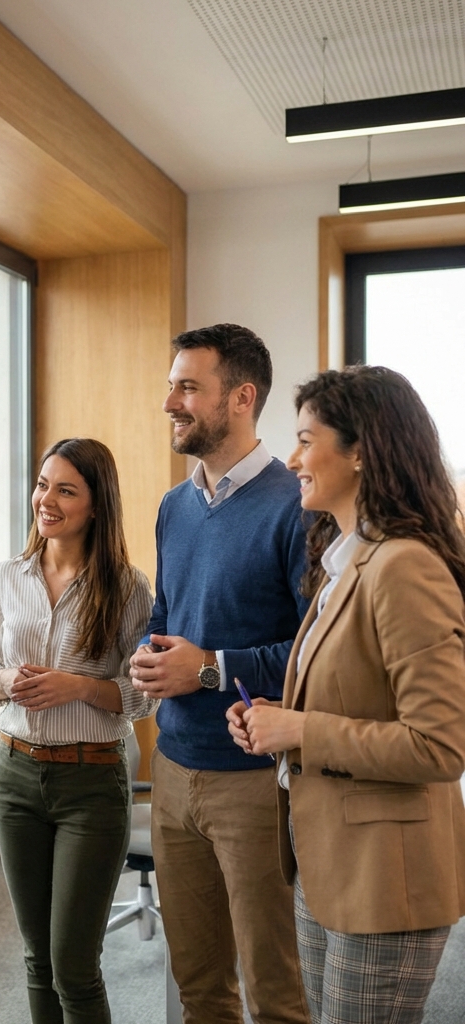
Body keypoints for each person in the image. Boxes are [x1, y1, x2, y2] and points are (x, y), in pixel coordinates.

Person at [227, 366, 465, 1024]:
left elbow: (440, 746)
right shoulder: (344, 560)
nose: (292, 460)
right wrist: (280, 718)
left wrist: (301, 731)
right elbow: (352, 699)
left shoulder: (405, 566)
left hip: (385, 879)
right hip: (327, 861)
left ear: (361, 451)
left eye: (306, 441)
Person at [128, 324, 310, 1024]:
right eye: (171, 386)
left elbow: (313, 653)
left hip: (255, 782)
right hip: (173, 770)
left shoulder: (297, 505)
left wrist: (207, 669)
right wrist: (150, 655)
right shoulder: (174, 507)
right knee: (199, 988)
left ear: (241, 397)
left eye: (188, 387)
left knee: (274, 990)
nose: (169, 402)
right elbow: (166, 615)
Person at [0, 437, 156, 1024]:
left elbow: (144, 695)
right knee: (37, 959)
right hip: (14, 775)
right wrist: (5, 680)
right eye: (42, 485)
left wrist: (77, 686)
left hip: (91, 781)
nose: (46, 500)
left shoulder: (128, 588)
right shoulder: (8, 576)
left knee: (73, 966)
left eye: (66, 490)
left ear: (96, 505)